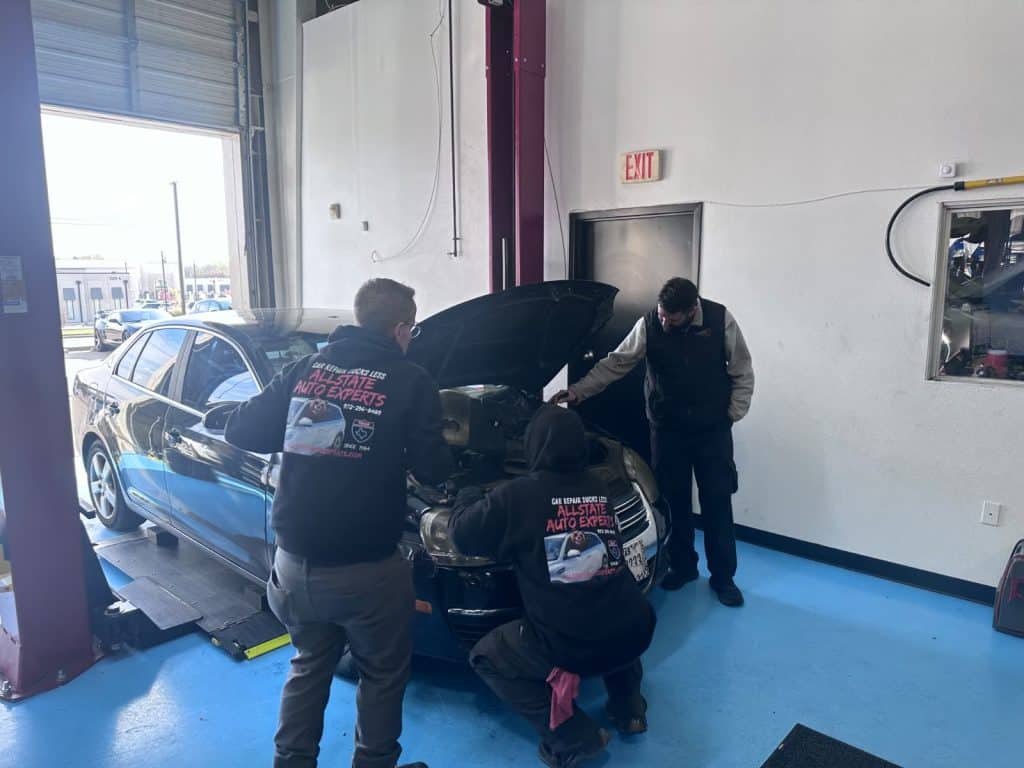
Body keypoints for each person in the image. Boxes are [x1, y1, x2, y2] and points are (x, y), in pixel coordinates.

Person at [225, 278, 452, 768]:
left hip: (293, 565)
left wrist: (308, 438)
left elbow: (239, 427)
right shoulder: (410, 379)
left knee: (309, 664)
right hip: (366, 569)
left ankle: (292, 762)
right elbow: (436, 470)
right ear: (399, 328)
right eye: (411, 329)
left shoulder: (306, 368)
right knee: (383, 672)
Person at [450, 405, 656, 768]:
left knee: (486, 657)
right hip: (638, 624)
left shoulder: (519, 494)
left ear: (534, 445)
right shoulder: (598, 485)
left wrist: (469, 490)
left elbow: (464, 535)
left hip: (571, 645)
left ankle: (575, 738)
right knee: (607, 605)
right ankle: (630, 710)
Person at [551, 277, 754, 607]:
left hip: (711, 431)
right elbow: (618, 362)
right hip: (668, 429)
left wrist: (732, 413)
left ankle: (723, 578)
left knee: (717, 500)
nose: (664, 322)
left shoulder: (720, 320)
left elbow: (742, 370)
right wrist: (579, 390)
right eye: (661, 314)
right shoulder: (649, 324)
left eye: (671, 318)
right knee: (672, 500)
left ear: (692, 311)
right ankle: (683, 566)